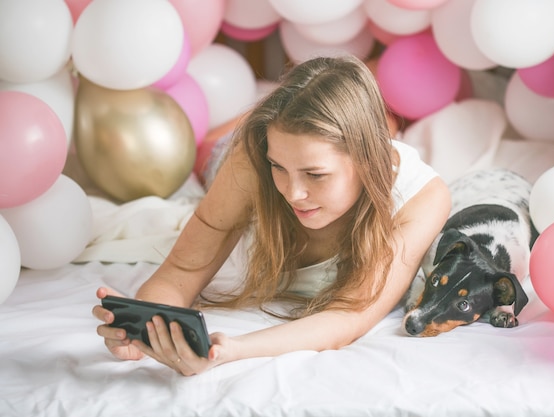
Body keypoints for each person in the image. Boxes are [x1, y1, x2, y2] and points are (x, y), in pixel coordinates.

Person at [93, 54, 451, 376]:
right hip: (228, 160)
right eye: (278, 168)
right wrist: (145, 325)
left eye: (315, 174)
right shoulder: (255, 158)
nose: (293, 193)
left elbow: (349, 315)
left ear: (367, 161)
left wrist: (231, 350)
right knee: (211, 158)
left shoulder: (422, 198)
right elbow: (182, 270)